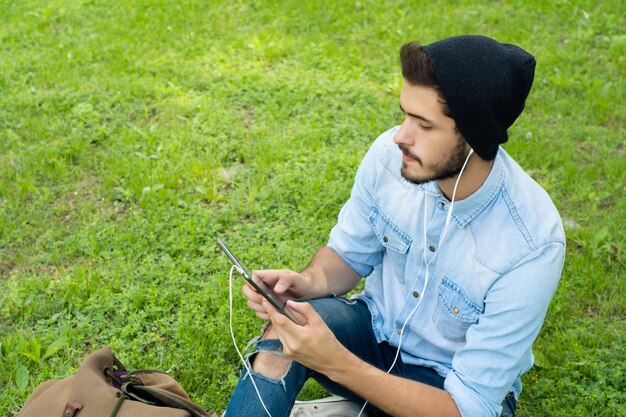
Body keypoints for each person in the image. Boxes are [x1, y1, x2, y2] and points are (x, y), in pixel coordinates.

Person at [223, 35, 566, 417]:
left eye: (423, 124)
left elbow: (468, 407)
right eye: (405, 114)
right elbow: (348, 256)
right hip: (375, 336)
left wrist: (336, 362)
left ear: (475, 138)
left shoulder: (532, 242)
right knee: (280, 338)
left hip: (449, 392)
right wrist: (307, 283)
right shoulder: (390, 157)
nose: (401, 136)